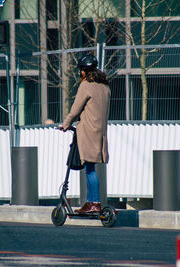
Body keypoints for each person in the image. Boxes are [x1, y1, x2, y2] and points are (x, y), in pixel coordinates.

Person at [60, 54, 111, 213]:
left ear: (84, 71)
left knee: (89, 169)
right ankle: (91, 202)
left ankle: (94, 203)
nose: (79, 73)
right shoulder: (105, 87)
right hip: (100, 132)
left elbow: (76, 108)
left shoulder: (86, 85)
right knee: (90, 167)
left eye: (80, 70)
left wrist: (66, 124)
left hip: (88, 131)